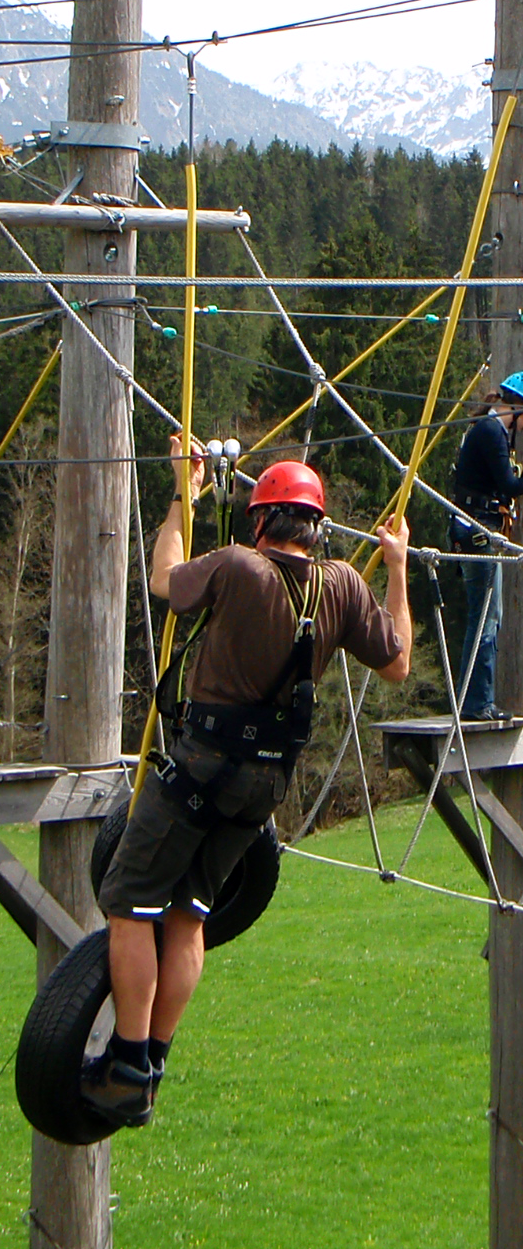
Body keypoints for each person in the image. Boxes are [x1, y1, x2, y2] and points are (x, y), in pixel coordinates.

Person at [83, 440, 412, 1127]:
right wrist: (399, 569)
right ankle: (154, 1063)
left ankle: (126, 1060)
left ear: (262, 522)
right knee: (191, 911)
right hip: (265, 787)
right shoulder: (344, 585)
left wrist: (183, 496)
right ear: (318, 527)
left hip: (204, 764)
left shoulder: (237, 567)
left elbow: (165, 578)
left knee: (129, 899)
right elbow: (397, 663)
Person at [448, 370, 523, 722]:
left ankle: (474, 700)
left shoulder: (492, 431)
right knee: (486, 620)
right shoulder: (492, 432)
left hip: (477, 531)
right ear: (522, 408)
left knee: (487, 617)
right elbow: (508, 485)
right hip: (479, 533)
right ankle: (477, 704)